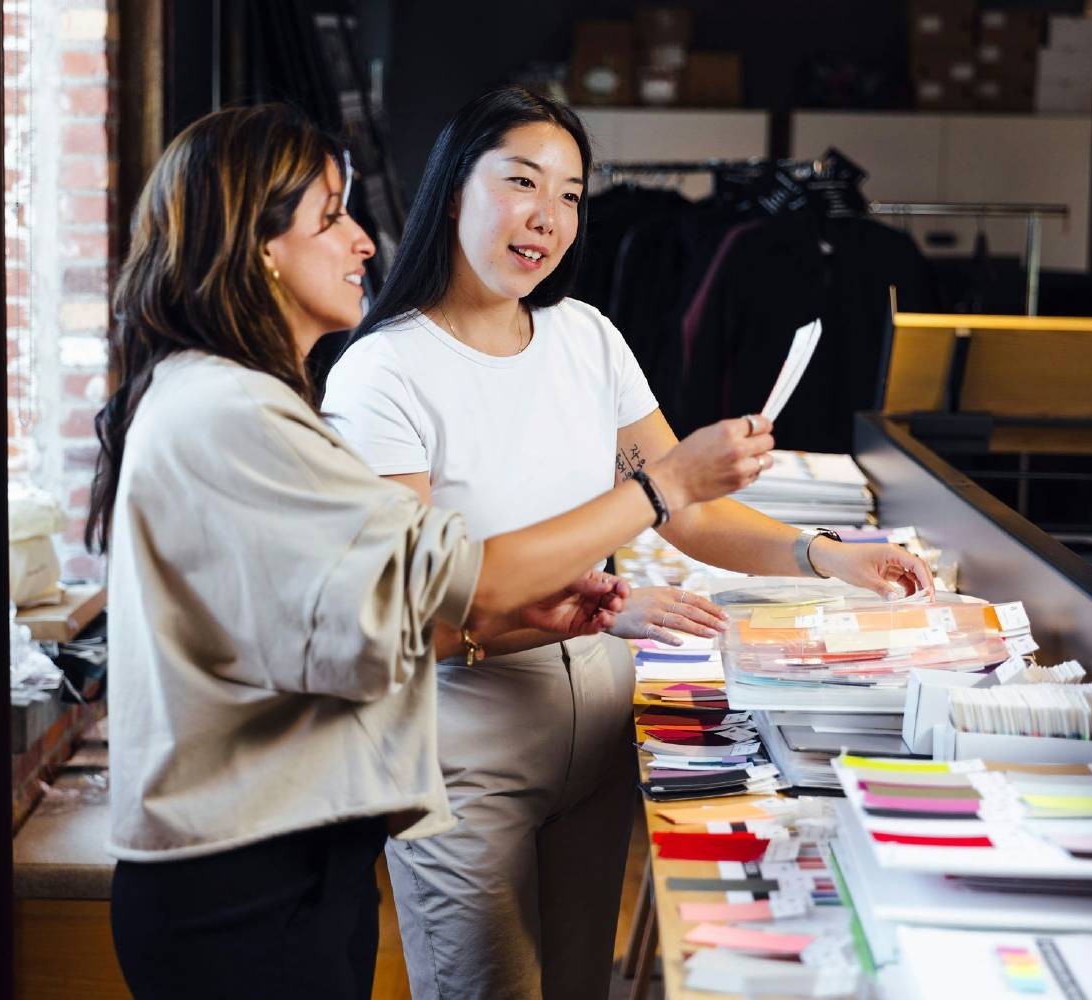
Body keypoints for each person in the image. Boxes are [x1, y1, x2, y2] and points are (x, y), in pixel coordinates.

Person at [88, 104, 780, 1000]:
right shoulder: (244, 409)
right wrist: (657, 490)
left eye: (570, 194)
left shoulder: (235, 400)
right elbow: (453, 582)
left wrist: (534, 618)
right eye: (331, 216)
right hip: (245, 870)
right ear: (261, 247)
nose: (362, 241)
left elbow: (361, 630)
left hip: (289, 851)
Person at [322, 86, 933, 1000]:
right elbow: (419, 605)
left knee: (579, 986)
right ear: (453, 191)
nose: (547, 216)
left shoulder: (586, 337)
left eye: (570, 194)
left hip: (604, 723)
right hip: (461, 742)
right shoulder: (383, 372)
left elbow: (686, 512)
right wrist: (658, 501)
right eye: (521, 182)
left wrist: (826, 556)